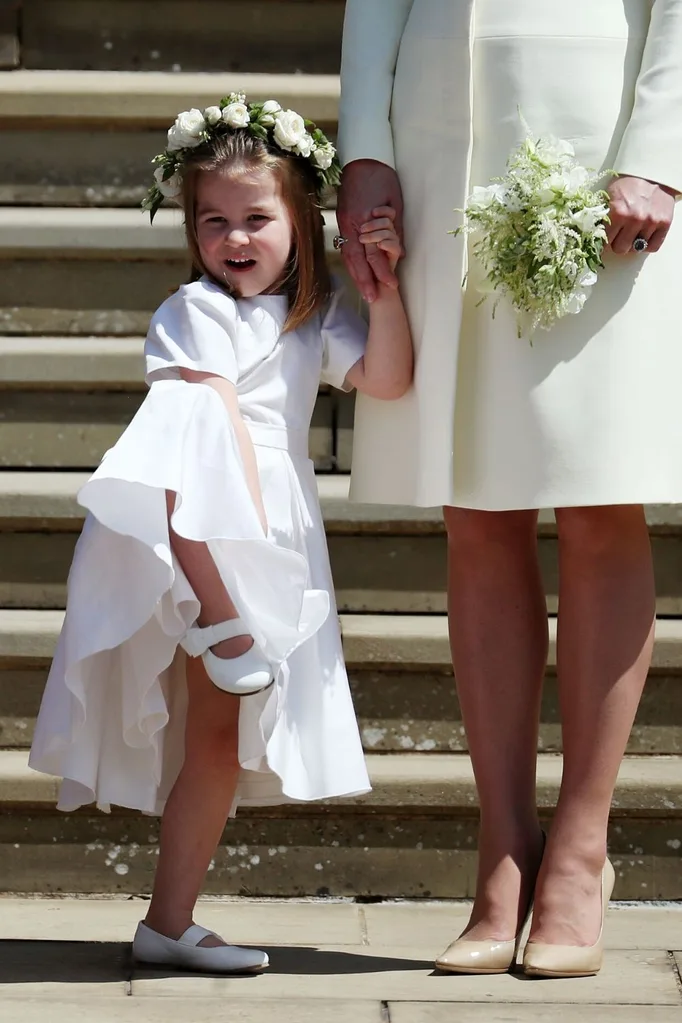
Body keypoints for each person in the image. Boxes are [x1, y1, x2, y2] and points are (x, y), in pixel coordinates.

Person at [29, 94, 413, 973]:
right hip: (189, 522)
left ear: (299, 220)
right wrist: (226, 569)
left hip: (271, 521)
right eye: (215, 221)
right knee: (201, 408)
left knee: (214, 738)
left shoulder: (314, 318)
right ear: (191, 229)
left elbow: (388, 380)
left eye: (256, 219)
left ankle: (169, 920)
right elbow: (201, 435)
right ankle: (215, 609)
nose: (235, 239)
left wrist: (382, 293)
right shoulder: (190, 309)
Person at [337, 0, 681, 978]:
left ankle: (578, 853)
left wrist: (658, 148)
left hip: (597, 143)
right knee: (474, 506)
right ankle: (501, 850)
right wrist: (365, 141)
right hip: (438, 138)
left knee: (596, 492)